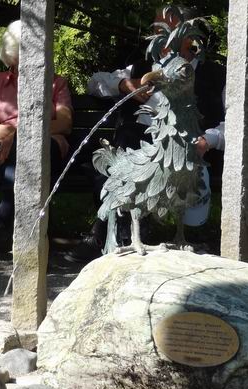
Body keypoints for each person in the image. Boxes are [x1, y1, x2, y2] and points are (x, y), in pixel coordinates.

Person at [64, 5, 226, 262]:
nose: (155, 34)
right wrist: (123, 84)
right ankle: (117, 231)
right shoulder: (143, 67)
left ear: (187, 35)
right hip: (140, 143)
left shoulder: (214, 74)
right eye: (155, 28)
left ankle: (111, 234)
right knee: (123, 148)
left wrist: (209, 140)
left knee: (149, 154)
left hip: (188, 146)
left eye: (165, 27)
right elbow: (94, 82)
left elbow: (235, 122)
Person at [0, 20, 73, 238]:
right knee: (18, 150)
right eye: (25, 51)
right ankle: (35, 225)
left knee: (36, 147)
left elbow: (65, 123)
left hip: (48, 150)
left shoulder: (56, 83)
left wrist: (19, 135)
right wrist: (17, 138)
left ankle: (4, 218)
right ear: (12, 54)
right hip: (2, 153)